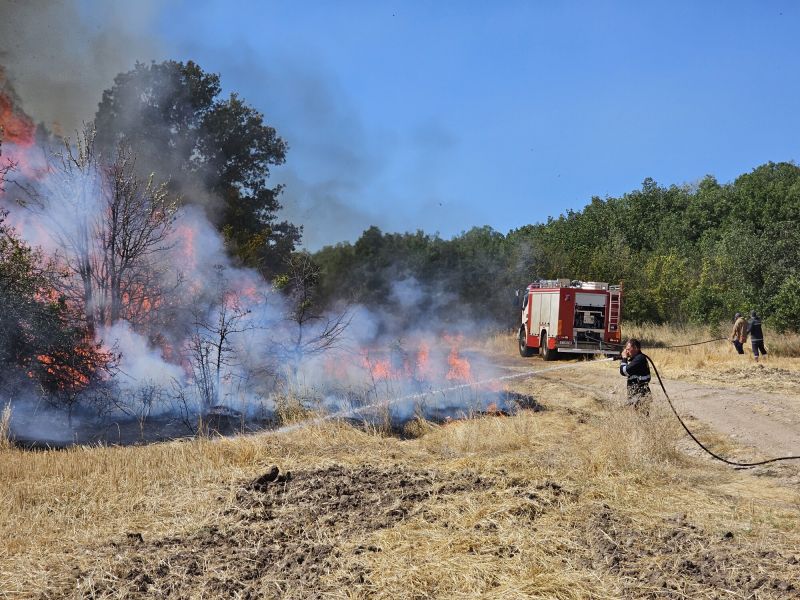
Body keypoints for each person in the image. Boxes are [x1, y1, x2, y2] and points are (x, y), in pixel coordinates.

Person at [619, 338, 652, 412]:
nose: (626, 352)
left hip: (640, 396)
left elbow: (624, 371)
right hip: (636, 395)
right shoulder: (637, 359)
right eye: (626, 350)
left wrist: (624, 358)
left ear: (636, 348)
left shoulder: (639, 359)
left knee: (640, 418)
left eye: (628, 349)